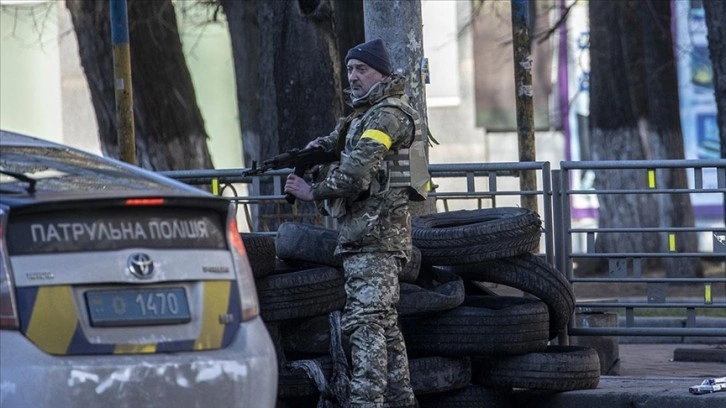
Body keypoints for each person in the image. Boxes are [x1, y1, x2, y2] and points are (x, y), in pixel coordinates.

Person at [284, 38, 428, 408]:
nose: (352, 76)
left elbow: (354, 175)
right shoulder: (362, 115)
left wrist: (310, 190)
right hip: (366, 235)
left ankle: (366, 402)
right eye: (349, 69)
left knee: (364, 326)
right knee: (384, 327)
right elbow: (334, 143)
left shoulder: (387, 114)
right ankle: (400, 401)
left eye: (360, 69)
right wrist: (309, 155)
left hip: (377, 236)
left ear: (381, 72)